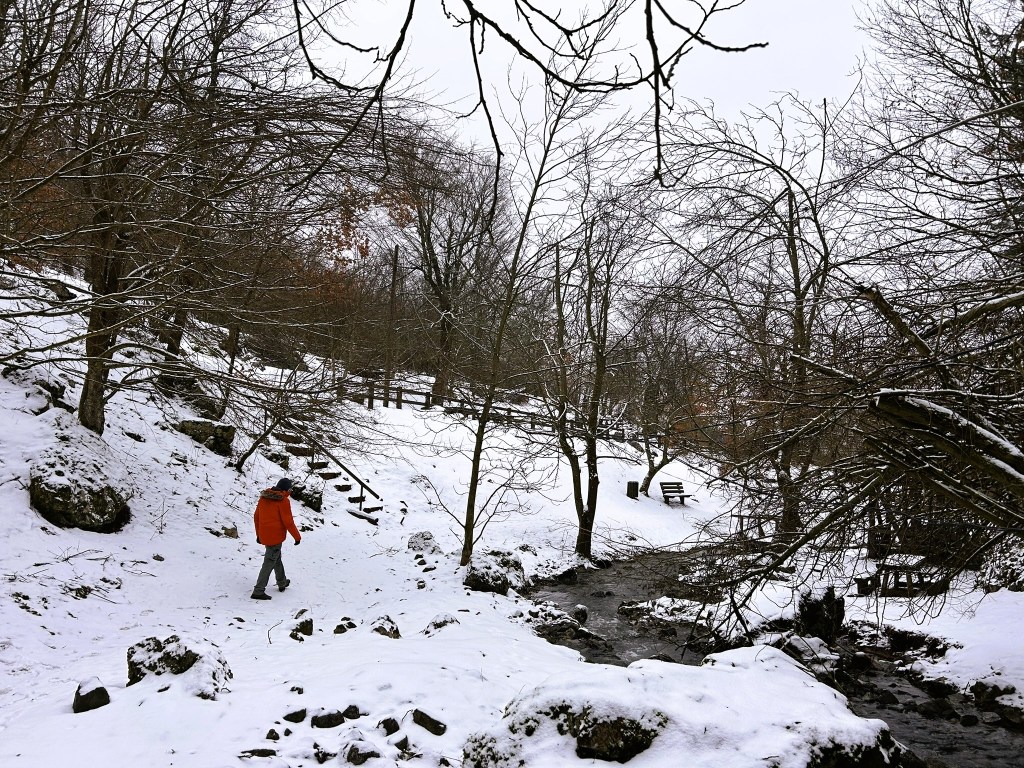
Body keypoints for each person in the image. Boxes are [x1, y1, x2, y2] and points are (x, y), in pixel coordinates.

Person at [251, 477, 301, 600]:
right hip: (275, 537)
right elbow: (288, 522)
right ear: (287, 489)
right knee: (269, 562)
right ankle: (258, 590)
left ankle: (282, 582)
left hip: (265, 535)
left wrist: (259, 534)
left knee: (276, 558)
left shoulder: (264, 498)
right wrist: (297, 537)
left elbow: (256, 517)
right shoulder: (282, 501)